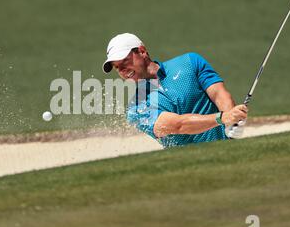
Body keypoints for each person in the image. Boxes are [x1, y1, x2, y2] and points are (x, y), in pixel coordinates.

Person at [102, 33, 248, 148]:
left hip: (226, 150)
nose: (121, 70)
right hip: (188, 168)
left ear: (142, 51)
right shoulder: (136, 109)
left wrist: (232, 121)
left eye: (124, 61)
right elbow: (177, 125)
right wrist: (222, 118)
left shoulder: (190, 62)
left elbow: (219, 94)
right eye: (116, 67)